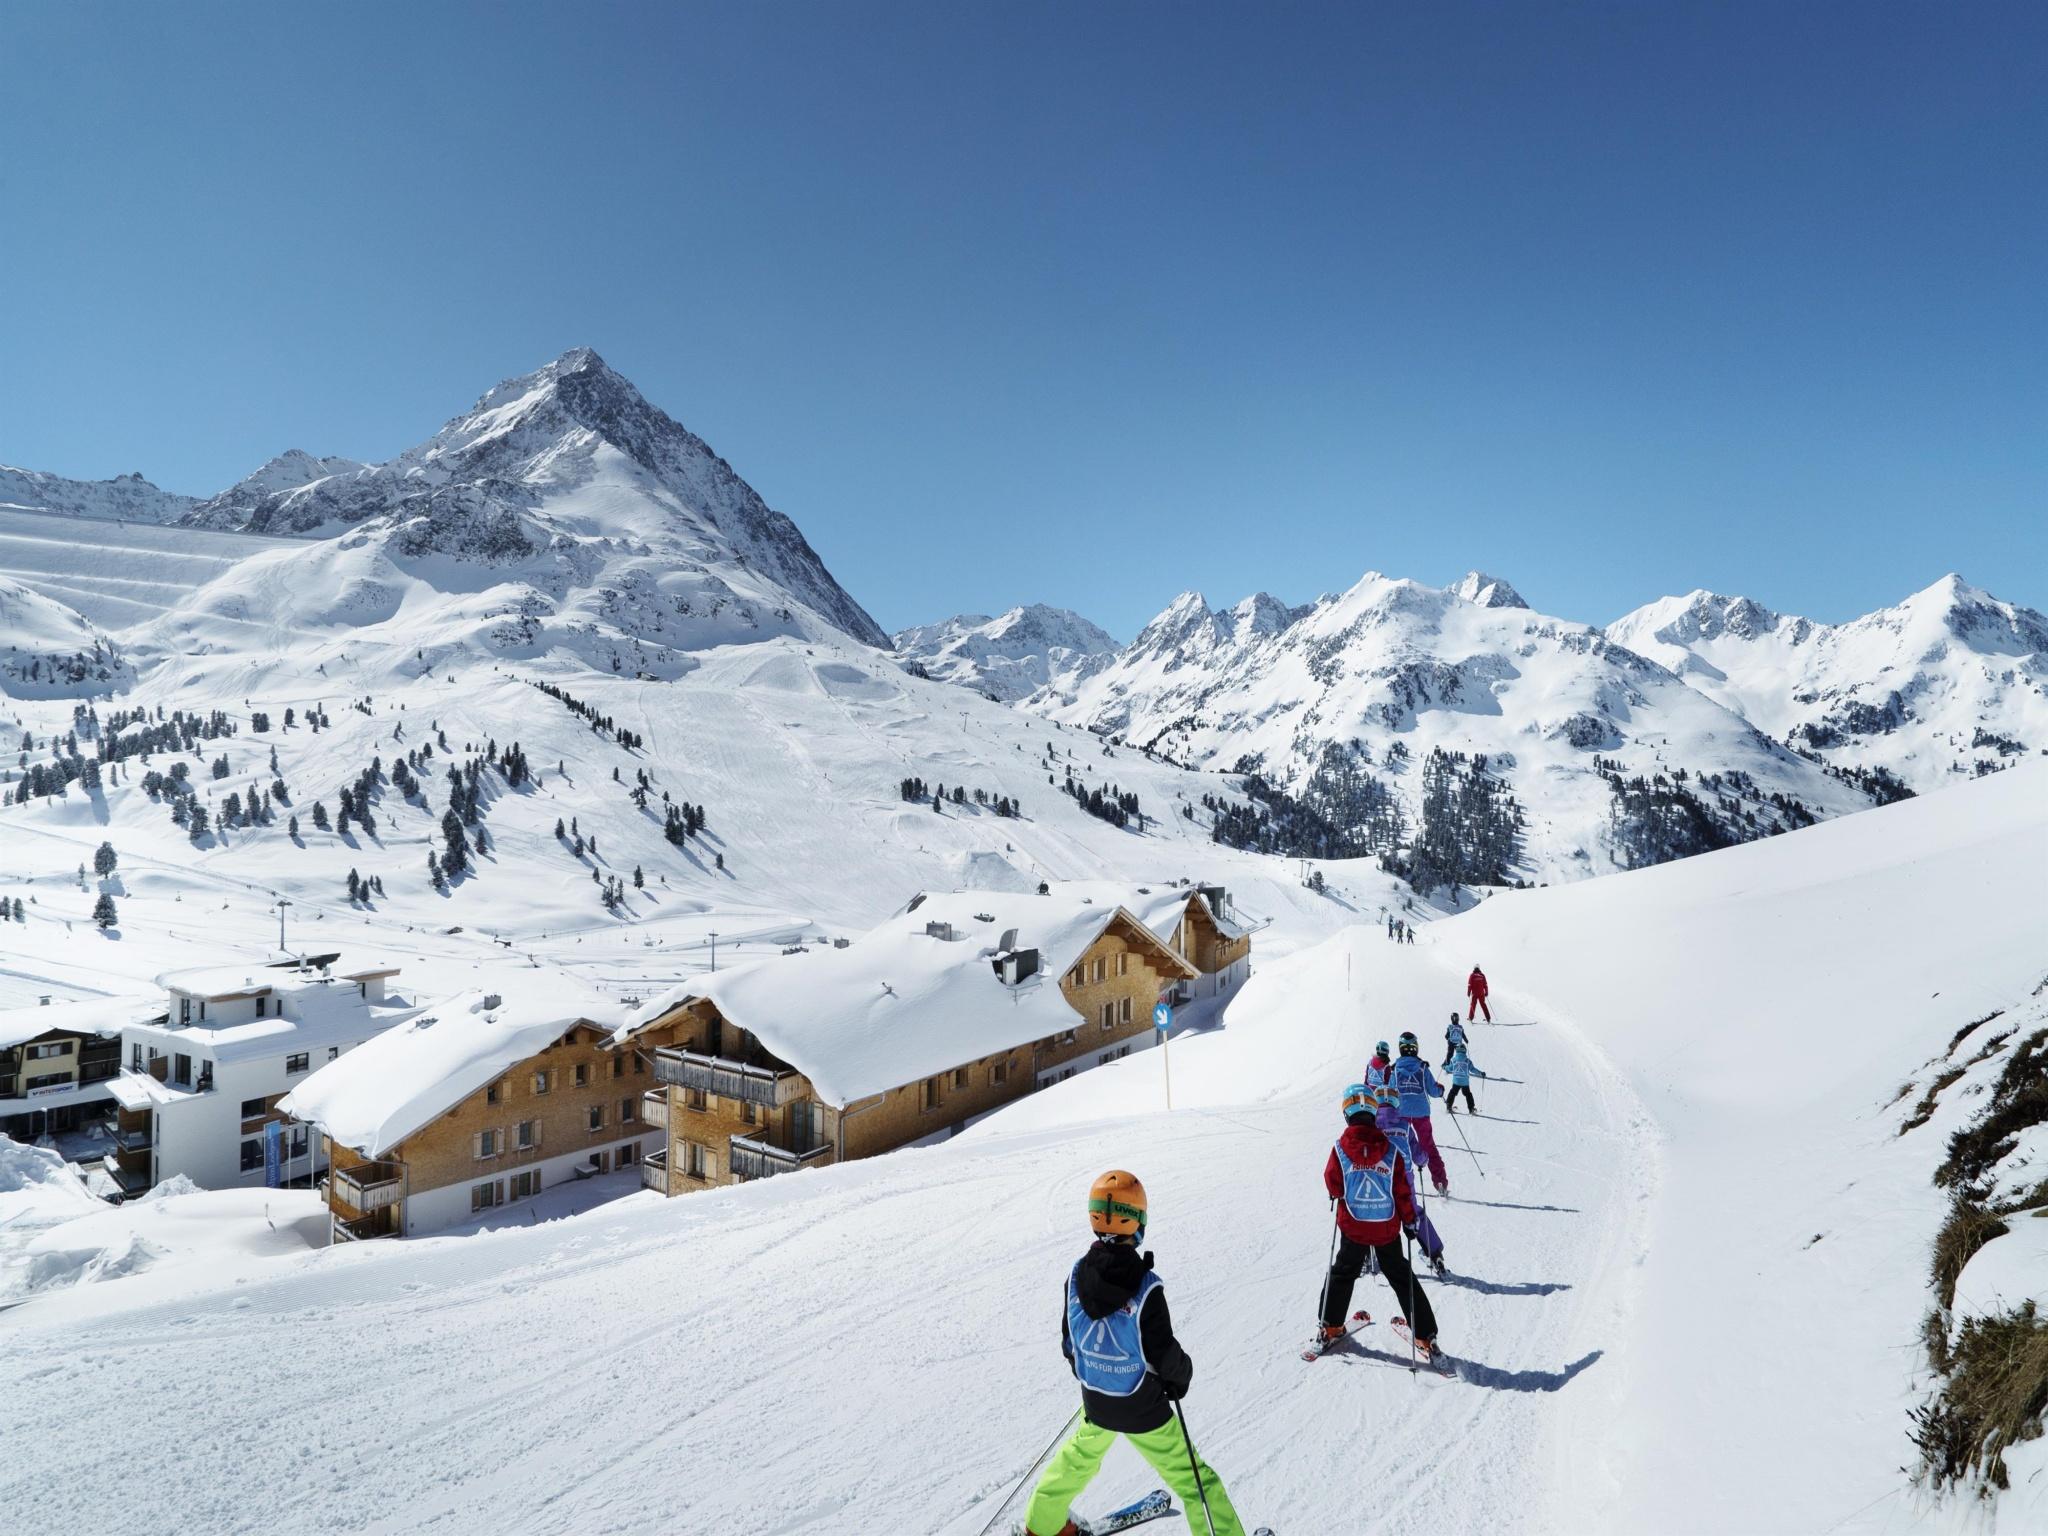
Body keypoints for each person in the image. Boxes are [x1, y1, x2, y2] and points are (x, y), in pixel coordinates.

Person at [1025, 1171, 1248, 1536]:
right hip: (1144, 1408)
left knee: (1076, 1462)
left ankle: (1040, 1525)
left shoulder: (1076, 1275)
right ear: (1138, 1221)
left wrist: (1096, 1375)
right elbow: (1165, 1355)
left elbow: (1070, 1344)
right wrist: (1180, 1378)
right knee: (1197, 1481)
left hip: (1098, 1400)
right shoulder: (1146, 1286)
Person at [1318, 1085, 1443, 1361]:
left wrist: (1343, 1191)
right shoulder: (1389, 1148)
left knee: (1343, 1272)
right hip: (1386, 1228)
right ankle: (1426, 1336)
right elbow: (1401, 1191)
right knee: (1401, 1276)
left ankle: (1330, 1326)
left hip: (1353, 1227)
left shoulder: (1340, 1148)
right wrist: (1409, 1221)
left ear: (1347, 1113)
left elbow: (1333, 1183)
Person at [1390, 1031, 1449, 1195]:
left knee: (1400, 1146)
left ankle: (1397, 1183)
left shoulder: (1395, 1069)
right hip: (1421, 1114)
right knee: (1428, 1146)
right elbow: (1433, 1091)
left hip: (1401, 1114)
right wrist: (1440, 1090)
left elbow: (1390, 1091)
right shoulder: (1422, 1068)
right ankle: (1440, 1182)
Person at [1445, 1044, 1486, 1115]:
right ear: (1465, 1051)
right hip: (1465, 1082)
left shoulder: (1453, 1060)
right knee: (1468, 1094)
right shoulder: (1467, 1061)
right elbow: (1472, 1069)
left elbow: (1450, 1068)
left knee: (1453, 1093)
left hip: (1456, 1081)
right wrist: (1480, 1073)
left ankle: (1448, 1107)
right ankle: (1471, 1109)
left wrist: (1445, 1067)